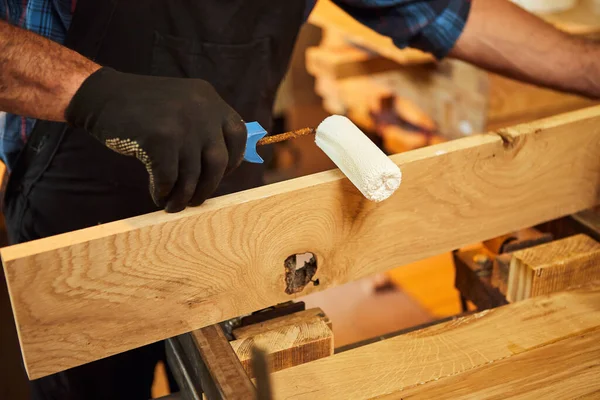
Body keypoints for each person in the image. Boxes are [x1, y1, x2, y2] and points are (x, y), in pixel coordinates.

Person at [0, 0, 598, 398]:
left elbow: (440, 11)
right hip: (80, 220)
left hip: (237, 209)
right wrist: (88, 90)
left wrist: (591, 66)